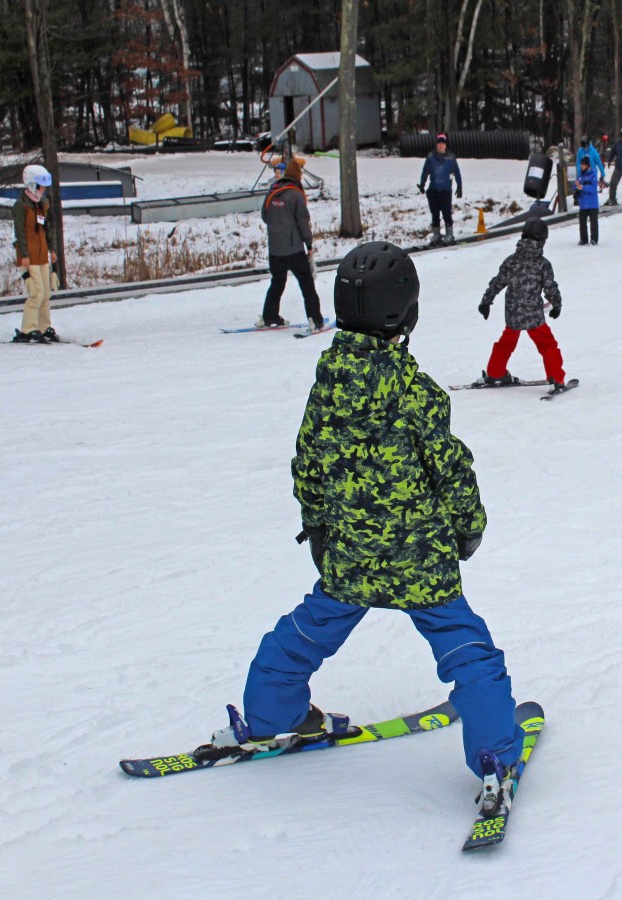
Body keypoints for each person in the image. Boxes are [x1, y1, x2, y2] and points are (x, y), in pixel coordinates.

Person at [220, 240, 526, 795]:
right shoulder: (415, 392)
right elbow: (451, 469)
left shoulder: (327, 387)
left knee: (303, 635)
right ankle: (495, 755)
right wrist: (468, 527)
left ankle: (269, 715)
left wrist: (317, 525)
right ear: (405, 313)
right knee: (467, 650)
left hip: (351, 556)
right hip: (421, 562)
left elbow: (308, 460)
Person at [477, 218, 567, 389]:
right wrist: (557, 304)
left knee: (506, 342)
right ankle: (556, 378)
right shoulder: (542, 264)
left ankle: (495, 373)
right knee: (547, 344)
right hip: (533, 315)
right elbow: (550, 287)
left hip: (512, 313)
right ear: (542, 240)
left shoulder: (511, 261)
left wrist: (486, 301)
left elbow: (497, 282)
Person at [259, 157, 324, 329]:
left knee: (277, 282)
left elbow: (265, 217)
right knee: (306, 284)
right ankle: (315, 320)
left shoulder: (272, 191)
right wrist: (308, 244)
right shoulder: (296, 194)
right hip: (294, 249)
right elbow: (303, 222)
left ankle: (269, 316)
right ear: (297, 177)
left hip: (275, 249)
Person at [11, 165, 57, 343]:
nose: (43, 190)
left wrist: (51, 249)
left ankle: (44, 326)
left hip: (42, 255)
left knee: (46, 293)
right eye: (41, 186)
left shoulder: (42, 205)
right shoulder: (21, 206)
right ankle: (28, 328)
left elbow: (47, 230)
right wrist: (24, 256)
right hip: (28, 257)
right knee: (36, 293)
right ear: (31, 185)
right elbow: (20, 233)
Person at [417, 133, 463, 246]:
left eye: (443, 144)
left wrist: (459, 187)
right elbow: (425, 171)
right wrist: (422, 184)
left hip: (445, 190)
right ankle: (436, 234)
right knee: (435, 213)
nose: (441, 146)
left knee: (446, 212)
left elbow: (457, 172)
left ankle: (449, 234)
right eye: (439, 144)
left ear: (445, 145)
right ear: (437, 145)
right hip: (433, 190)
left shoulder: (450, 158)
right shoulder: (431, 157)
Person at [574, 156, 601, 245]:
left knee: (593, 223)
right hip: (583, 204)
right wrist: (576, 186)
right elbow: (576, 185)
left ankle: (594, 239)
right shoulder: (580, 175)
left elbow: (593, 188)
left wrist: (583, 187)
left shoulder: (593, 175)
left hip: (592, 204)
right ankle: (583, 239)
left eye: (583, 165)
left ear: (587, 165)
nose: (581, 166)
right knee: (582, 223)